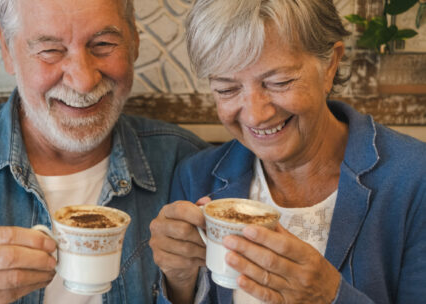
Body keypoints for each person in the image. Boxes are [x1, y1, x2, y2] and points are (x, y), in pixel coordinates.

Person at [0, 0, 208, 303]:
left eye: (103, 45)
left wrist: (181, 285)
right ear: (7, 49)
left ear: (134, 40)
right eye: (50, 50)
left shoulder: (191, 166)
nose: (82, 81)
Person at [149, 0, 426, 303]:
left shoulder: (414, 179)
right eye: (227, 89)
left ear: (330, 65)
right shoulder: (195, 176)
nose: (255, 115)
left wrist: (329, 296)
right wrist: (178, 281)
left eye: (279, 82)